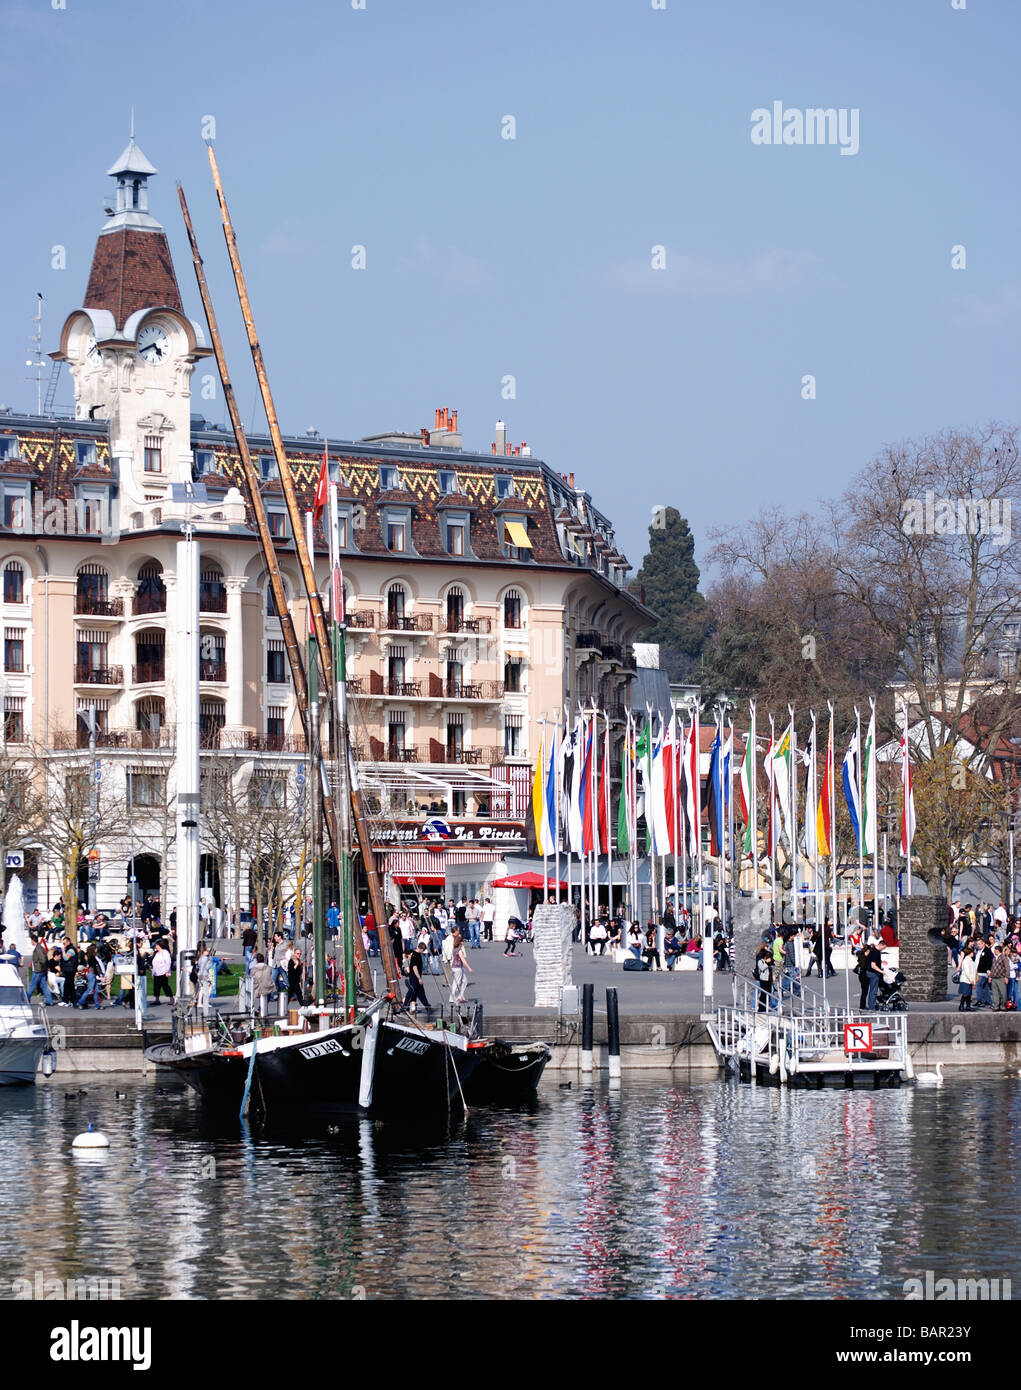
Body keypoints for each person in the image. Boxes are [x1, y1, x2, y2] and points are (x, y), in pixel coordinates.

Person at [403, 941, 430, 1015]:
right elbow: (415, 967)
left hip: (415, 977)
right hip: (415, 977)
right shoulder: (416, 955)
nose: (423, 952)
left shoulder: (415, 954)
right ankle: (405, 1006)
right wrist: (419, 978)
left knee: (419, 992)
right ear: (421, 949)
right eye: (423, 951)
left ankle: (427, 1006)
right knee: (412, 991)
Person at [27, 937, 55, 1006]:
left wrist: (42, 967)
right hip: (41, 970)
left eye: (31, 941)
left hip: (38, 970)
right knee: (44, 986)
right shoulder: (40, 947)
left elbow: (42, 959)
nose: (31, 942)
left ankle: (26, 999)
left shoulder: (38, 948)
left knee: (32, 985)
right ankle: (49, 1001)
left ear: (33, 941)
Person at [450, 931, 472, 1003]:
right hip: (458, 967)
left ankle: (460, 996)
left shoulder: (454, 949)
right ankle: (452, 997)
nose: (463, 942)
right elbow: (463, 960)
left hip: (455, 967)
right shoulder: (459, 951)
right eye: (462, 941)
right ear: (460, 942)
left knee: (464, 981)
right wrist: (469, 967)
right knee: (456, 982)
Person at [151, 939, 173, 1004]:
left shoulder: (165, 952)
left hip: (163, 972)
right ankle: (157, 1000)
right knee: (156, 987)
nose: (156, 946)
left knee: (165, 986)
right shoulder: (156, 953)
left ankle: (171, 999)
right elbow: (154, 963)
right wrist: (153, 973)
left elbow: (168, 962)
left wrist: (167, 971)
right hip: (156, 973)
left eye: (157, 945)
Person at [754, 942, 773, 1012]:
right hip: (763, 978)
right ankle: (762, 1008)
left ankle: (765, 1007)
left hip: (767, 978)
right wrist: (767, 962)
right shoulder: (761, 957)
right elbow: (762, 967)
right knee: (763, 994)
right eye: (767, 946)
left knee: (767, 993)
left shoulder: (760, 953)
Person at [958, 943, 977, 1012]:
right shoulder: (966, 961)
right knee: (965, 994)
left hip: (968, 980)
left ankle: (968, 1006)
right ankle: (961, 1005)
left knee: (968, 994)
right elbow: (967, 971)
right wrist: (971, 980)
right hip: (966, 980)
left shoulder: (970, 960)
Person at [990, 944, 1010, 1012]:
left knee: (1003, 993)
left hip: (1001, 977)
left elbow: (1007, 967)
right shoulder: (994, 958)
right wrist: (990, 976)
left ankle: (1003, 1006)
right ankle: (996, 1006)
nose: (994, 951)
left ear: (997, 950)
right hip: (994, 977)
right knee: (995, 993)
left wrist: (1006, 977)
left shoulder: (1004, 957)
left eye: (995, 949)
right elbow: (992, 968)